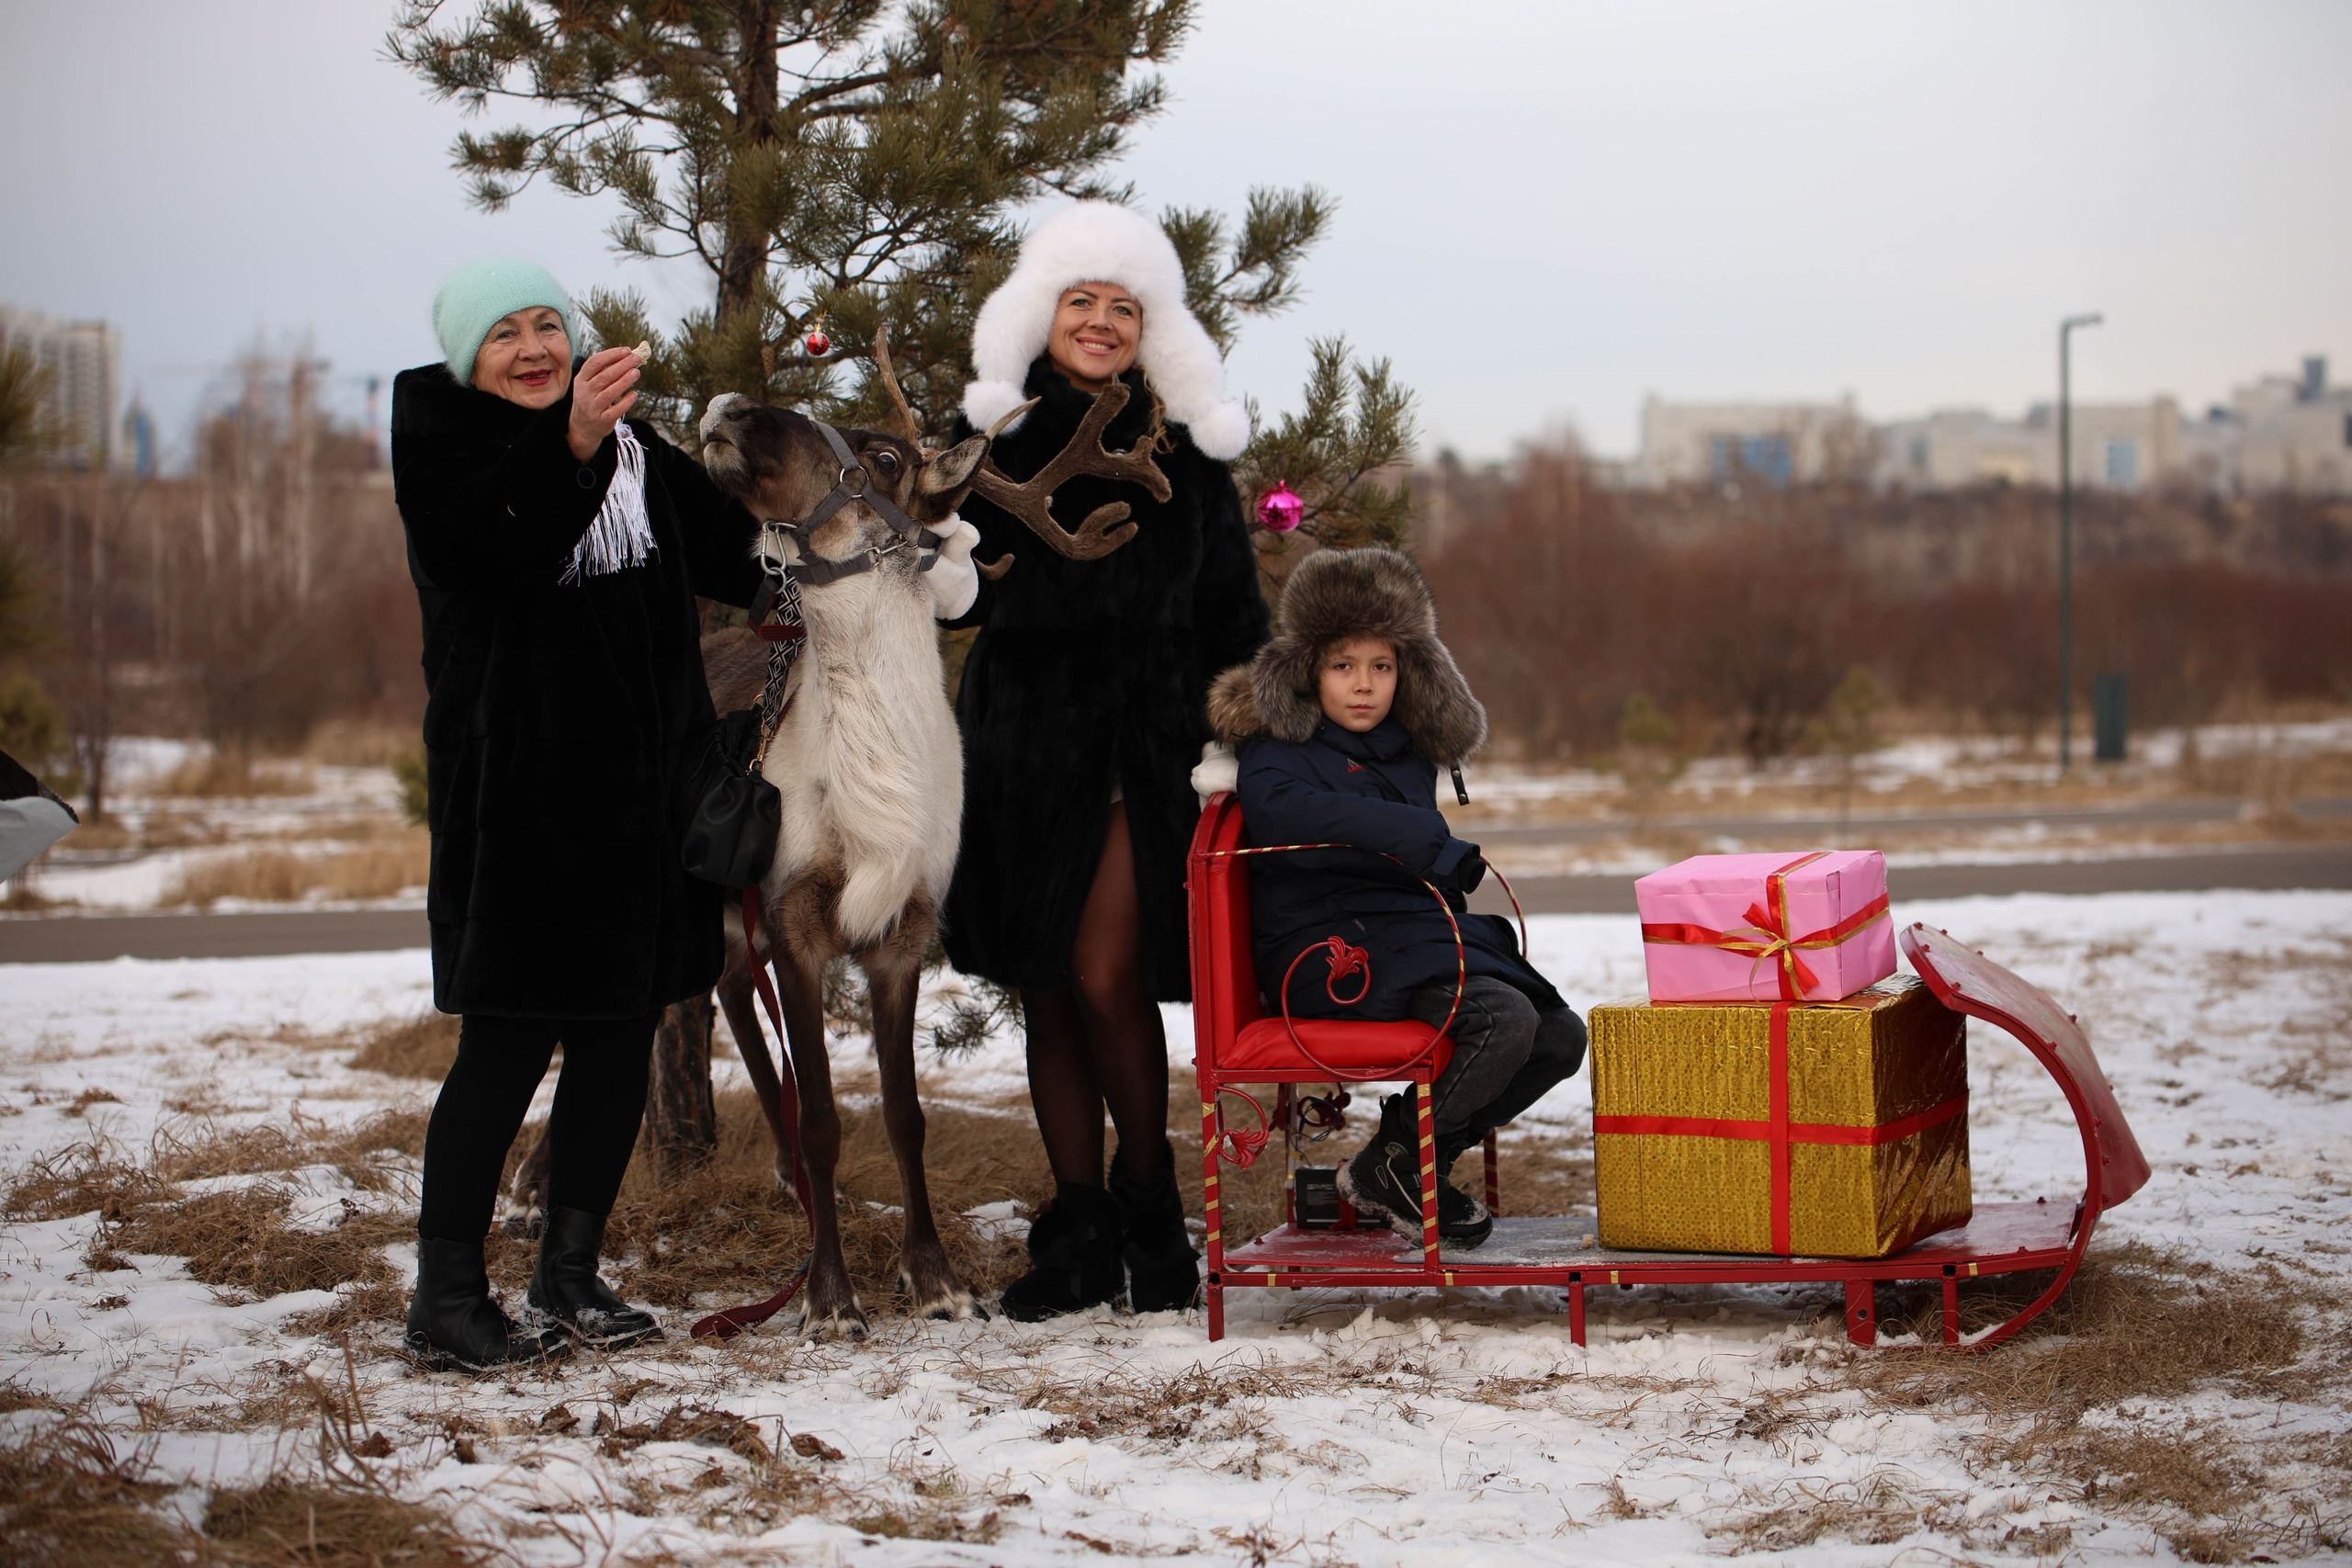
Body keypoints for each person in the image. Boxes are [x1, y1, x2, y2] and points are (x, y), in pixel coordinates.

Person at [392, 256, 766, 1370]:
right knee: (505, 1045)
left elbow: (743, 558)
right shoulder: (449, 441)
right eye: (503, 333)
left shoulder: (637, 453)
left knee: (615, 1041)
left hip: (642, 798)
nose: (531, 350)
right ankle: (446, 1298)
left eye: (545, 325)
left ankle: (568, 1276)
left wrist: (869, 576)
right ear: (470, 357)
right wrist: (566, 447)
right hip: (520, 802)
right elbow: (485, 551)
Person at [944, 201, 1271, 1319]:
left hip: (1147, 746)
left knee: (1103, 972)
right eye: (1079, 301)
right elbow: (951, 590)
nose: (1099, 321)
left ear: (1149, 327)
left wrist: (1236, 733)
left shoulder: (1183, 449)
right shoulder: (989, 441)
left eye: (1121, 306)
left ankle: (1151, 1205)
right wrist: (946, 573)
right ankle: (1077, 1234)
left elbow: (1236, 613)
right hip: (1023, 742)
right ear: (1042, 314)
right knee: (1046, 985)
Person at [1203, 547, 1586, 1247]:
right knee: (1502, 1020)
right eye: (1343, 665)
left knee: (1561, 1036)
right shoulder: (1278, 742)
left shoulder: (1405, 747)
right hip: (1324, 947)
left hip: (1405, 934)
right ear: (1310, 668)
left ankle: (1401, 1160)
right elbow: (1291, 815)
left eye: (1381, 666)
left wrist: (1432, 868)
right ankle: (1404, 1164)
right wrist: (1422, 836)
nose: (1363, 685)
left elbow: (1408, 861)